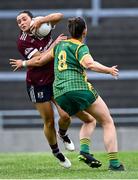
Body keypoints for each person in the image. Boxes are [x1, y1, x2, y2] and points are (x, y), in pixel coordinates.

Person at [10, 16, 125, 171]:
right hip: (77, 88)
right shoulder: (80, 47)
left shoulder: (59, 45)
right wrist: (109, 70)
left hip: (58, 91)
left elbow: (41, 60)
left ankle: (83, 151)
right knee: (107, 121)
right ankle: (114, 164)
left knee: (88, 120)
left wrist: (23, 63)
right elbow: (89, 64)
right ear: (85, 31)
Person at [13, 10, 76, 168]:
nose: (21, 23)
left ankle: (63, 135)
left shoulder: (43, 26)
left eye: (24, 19)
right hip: (37, 83)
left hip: (54, 79)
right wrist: (55, 44)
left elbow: (59, 16)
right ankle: (56, 152)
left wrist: (42, 21)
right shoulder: (23, 41)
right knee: (48, 121)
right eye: (19, 22)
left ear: (31, 19)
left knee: (66, 116)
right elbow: (40, 60)